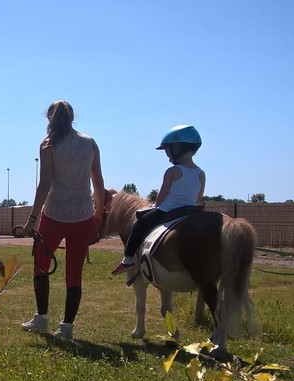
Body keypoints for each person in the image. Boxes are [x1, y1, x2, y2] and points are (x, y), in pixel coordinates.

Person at [20, 100, 106, 340]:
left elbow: (45, 184)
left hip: (55, 214)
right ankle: (67, 327)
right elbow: (98, 181)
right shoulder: (90, 142)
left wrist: (32, 220)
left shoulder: (48, 145)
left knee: (41, 264)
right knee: (74, 271)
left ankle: (41, 318)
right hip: (83, 216)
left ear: (50, 118)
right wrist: (99, 212)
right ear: (72, 117)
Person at [112, 125, 206, 276]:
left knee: (139, 225)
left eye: (168, 151)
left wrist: (156, 206)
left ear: (178, 148)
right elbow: (198, 197)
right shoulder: (201, 173)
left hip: (167, 210)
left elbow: (161, 196)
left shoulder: (172, 171)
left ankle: (127, 260)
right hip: (190, 211)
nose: (168, 156)